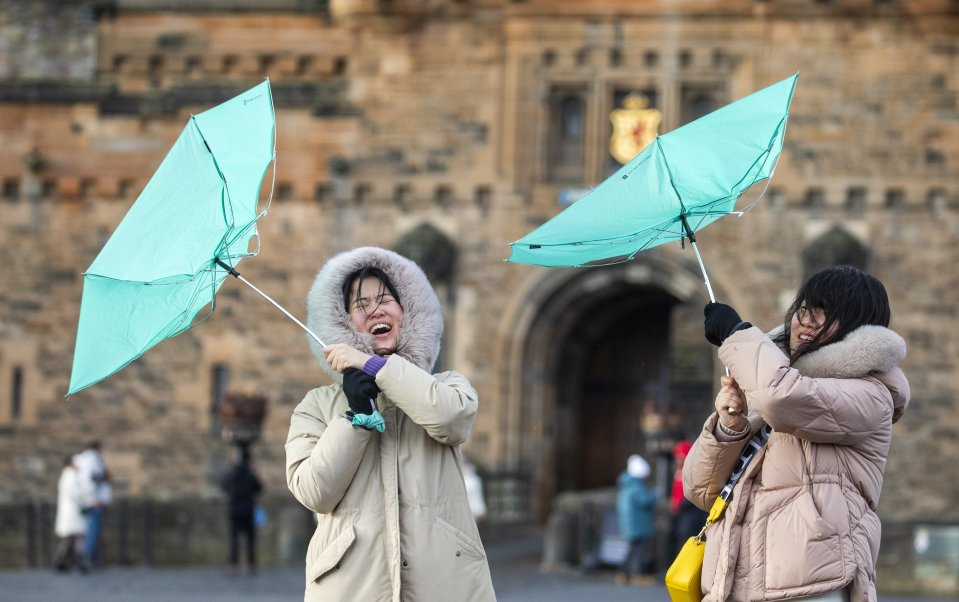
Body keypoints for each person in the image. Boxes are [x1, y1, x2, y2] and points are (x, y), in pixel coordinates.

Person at [684, 265, 910, 601]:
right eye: (805, 309)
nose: (807, 321)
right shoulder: (770, 388)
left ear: (858, 328)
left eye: (826, 313)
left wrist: (738, 333)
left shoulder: (872, 394)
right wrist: (730, 422)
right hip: (736, 586)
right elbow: (700, 490)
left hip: (811, 586)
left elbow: (785, 398)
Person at [285, 247, 496, 601]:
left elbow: (451, 421)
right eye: (360, 304)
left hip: (445, 584)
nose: (376, 310)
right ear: (342, 322)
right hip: (352, 587)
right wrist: (356, 416)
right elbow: (314, 493)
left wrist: (376, 368)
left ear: (408, 310)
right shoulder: (316, 406)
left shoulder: (445, 386)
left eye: (385, 299)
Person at [614, 454, 657, 586]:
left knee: (632, 550)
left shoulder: (626, 485)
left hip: (630, 525)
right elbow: (644, 501)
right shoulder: (636, 486)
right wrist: (655, 495)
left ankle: (623, 573)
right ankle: (638, 575)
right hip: (638, 525)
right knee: (639, 552)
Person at [221, 446, 263, 576]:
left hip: (234, 510)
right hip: (248, 510)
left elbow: (224, 485)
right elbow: (259, 487)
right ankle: (251, 565)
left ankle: (233, 565)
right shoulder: (250, 474)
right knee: (250, 539)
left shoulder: (231, 473)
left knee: (234, 539)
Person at [73, 441, 111, 567]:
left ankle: (87, 558)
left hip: (88, 501)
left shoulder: (83, 460)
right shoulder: (92, 461)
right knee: (92, 532)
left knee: (88, 531)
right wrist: (94, 499)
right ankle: (86, 558)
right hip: (94, 503)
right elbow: (91, 480)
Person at [53, 454, 92, 573]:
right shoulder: (71, 476)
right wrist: (87, 500)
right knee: (77, 537)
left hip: (70, 512)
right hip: (73, 513)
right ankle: (81, 563)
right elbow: (76, 493)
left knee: (70, 539)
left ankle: (61, 562)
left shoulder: (66, 475)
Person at [669, 440, 707, 555]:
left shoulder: (693, 471)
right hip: (680, 514)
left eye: (681, 457)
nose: (678, 460)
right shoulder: (678, 472)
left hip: (690, 513)